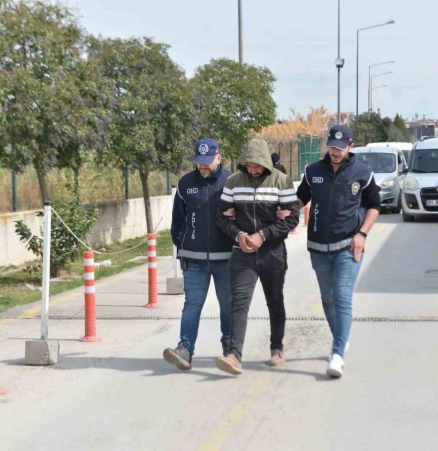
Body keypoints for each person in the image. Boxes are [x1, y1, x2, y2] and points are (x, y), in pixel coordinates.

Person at [296, 125, 381, 378]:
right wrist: (283, 210)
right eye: (332, 147)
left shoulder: (362, 173)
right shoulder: (313, 171)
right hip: (318, 248)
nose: (335, 152)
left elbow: (375, 206)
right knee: (328, 299)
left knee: (342, 297)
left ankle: (337, 355)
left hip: (348, 246)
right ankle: (341, 340)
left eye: (340, 148)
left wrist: (362, 234)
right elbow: (300, 199)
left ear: (350, 146)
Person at [214, 139, 300, 375]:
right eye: (248, 166)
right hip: (242, 253)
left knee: (275, 301)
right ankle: (234, 355)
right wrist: (239, 235)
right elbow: (221, 217)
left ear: (265, 163)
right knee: (239, 303)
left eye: (257, 166)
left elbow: (293, 218)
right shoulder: (233, 182)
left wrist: (263, 235)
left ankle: (277, 348)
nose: (252, 170)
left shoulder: (282, 181)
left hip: (273, 253)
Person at [163, 139, 234, 370]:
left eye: (207, 161)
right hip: (193, 259)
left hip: (226, 258)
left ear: (218, 158)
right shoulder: (185, 183)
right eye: (199, 162)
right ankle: (185, 349)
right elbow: (178, 220)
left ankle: (230, 347)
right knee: (192, 304)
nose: (202, 166)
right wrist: (182, 243)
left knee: (228, 304)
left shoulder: (231, 182)